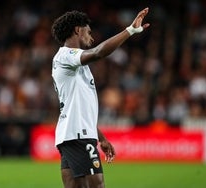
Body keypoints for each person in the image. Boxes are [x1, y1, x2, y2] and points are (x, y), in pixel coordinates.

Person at [51, 7, 150, 188]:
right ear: (77, 30)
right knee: (97, 185)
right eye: (88, 31)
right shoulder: (66, 56)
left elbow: (80, 108)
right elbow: (98, 52)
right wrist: (130, 30)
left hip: (72, 134)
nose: (91, 36)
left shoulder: (73, 63)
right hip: (78, 135)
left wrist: (101, 137)